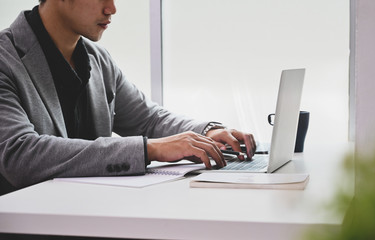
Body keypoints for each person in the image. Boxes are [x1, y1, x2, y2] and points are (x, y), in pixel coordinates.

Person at [0, 0, 256, 195]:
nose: (112, 8)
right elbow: (20, 154)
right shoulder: (5, 59)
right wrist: (149, 149)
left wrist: (205, 133)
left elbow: (148, 120)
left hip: (92, 216)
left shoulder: (98, 59)